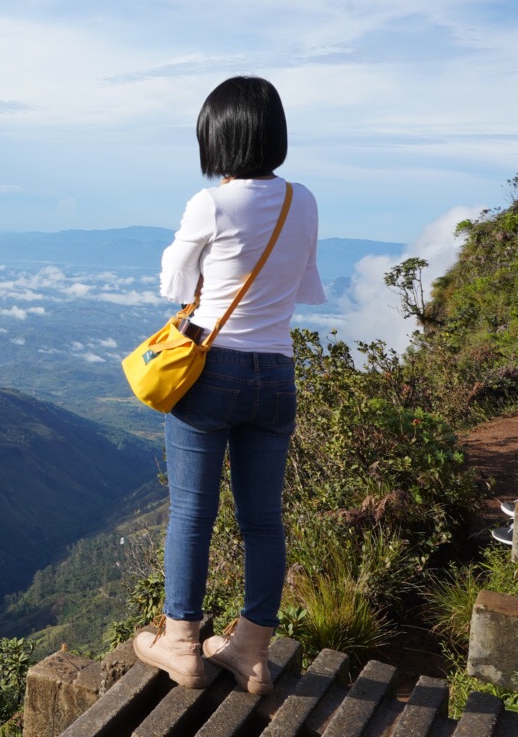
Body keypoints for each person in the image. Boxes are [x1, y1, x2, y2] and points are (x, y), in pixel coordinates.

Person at [132, 76, 324, 695]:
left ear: (216, 137)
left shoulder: (211, 204)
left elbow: (173, 280)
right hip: (277, 373)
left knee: (192, 511)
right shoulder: (304, 201)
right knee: (263, 519)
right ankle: (252, 653)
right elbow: (302, 288)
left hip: (211, 373)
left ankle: (182, 644)